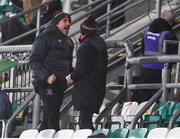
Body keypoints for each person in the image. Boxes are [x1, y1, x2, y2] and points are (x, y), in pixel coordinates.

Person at [29, 12, 74, 131]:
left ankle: (42, 133)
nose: (68, 24)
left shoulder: (69, 42)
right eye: (65, 21)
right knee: (52, 113)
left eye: (69, 21)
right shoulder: (45, 36)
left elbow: (68, 64)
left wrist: (75, 75)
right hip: (46, 83)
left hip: (60, 83)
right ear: (57, 23)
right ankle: (55, 134)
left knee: (49, 116)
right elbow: (34, 60)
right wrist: (47, 76)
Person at [66, 15, 108, 131]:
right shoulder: (100, 42)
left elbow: (81, 69)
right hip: (97, 88)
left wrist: (69, 78)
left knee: (84, 124)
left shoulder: (86, 46)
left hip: (86, 90)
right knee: (86, 121)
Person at [139, 9, 178, 102]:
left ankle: (144, 114)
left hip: (144, 68)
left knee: (146, 98)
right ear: (170, 22)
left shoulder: (146, 32)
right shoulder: (168, 35)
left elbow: (142, 50)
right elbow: (175, 54)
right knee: (161, 97)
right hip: (161, 71)